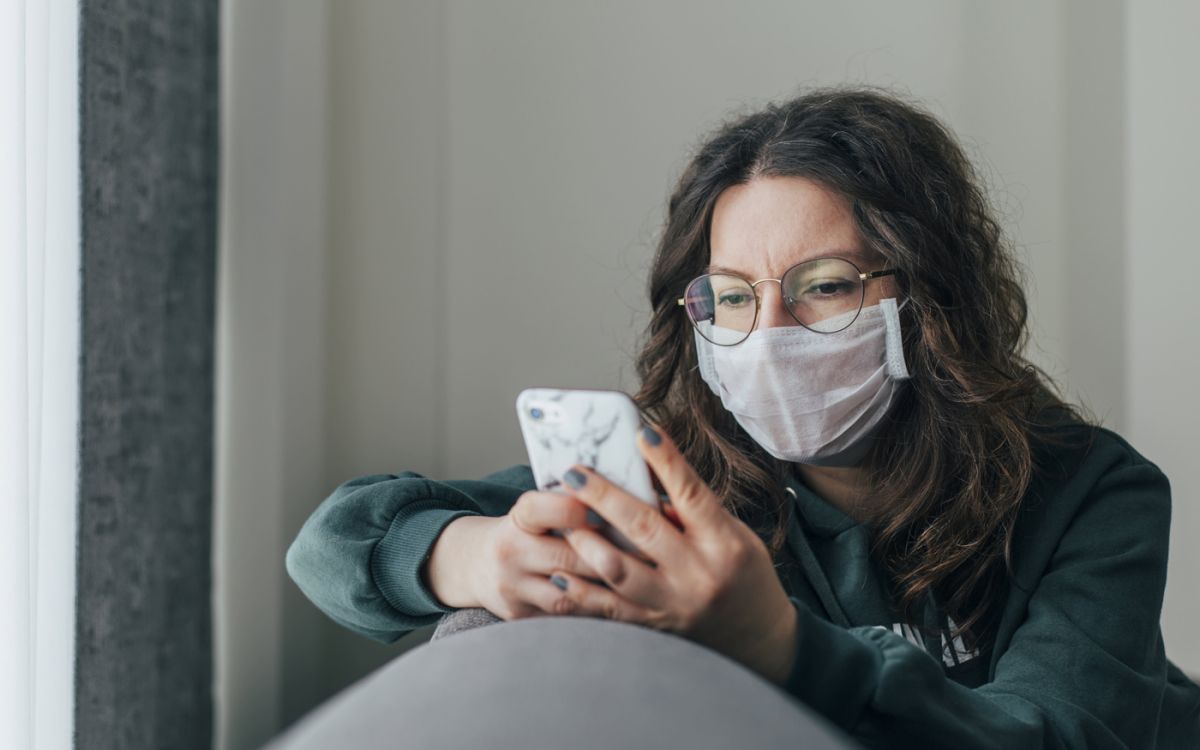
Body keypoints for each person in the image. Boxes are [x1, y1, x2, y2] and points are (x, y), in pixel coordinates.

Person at [285, 86, 1200, 747]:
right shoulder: (682, 469)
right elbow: (329, 546)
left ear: (930, 299)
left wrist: (779, 645)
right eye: (729, 297)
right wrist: (477, 557)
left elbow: (1053, 736)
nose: (769, 333)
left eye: (826, 287)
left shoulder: (1090, 491)